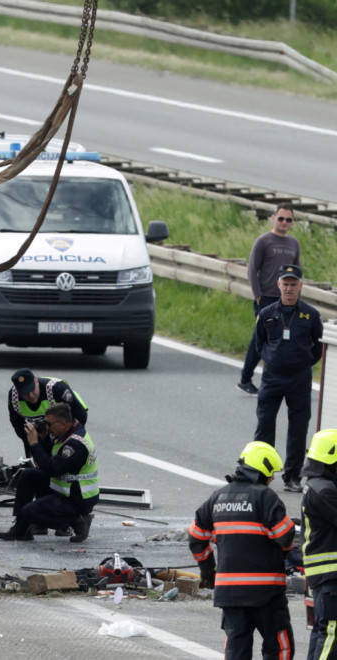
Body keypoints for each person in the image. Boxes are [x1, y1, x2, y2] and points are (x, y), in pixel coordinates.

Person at [189, 441, 296, 660]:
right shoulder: (265, 497)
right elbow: (286, 536)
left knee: (236, 650)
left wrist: (209, 571)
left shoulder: (217, 498)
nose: (273, 479)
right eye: (271, 474)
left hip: (229, 593)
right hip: (267, 593)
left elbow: (196, 537)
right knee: (279, 647)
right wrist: (280, 554)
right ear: (262, 470)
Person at [254, 264, 323, 492]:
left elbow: (319, 346)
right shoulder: (267, 314)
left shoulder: (311, 315)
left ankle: (292, 476)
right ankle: (261, 473)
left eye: (294, 285)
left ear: (300, 286)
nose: (289, 289)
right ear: (279, 285)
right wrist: (271, 359)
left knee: (298, 428)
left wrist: (304, 362)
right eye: (286, 284)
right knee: (265, 425)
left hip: (299, 379)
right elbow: (258, 343)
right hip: (272, 377)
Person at [0, 402, 98, 543]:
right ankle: (21, 529)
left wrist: (34, 444)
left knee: (30, 512)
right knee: (28, 475)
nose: (47, 427)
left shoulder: (76, 445)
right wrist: (42, 438)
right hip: (64, 489)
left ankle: (78, 520)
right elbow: (47, 461)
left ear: (63, 423)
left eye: (49, 424)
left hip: (78, 498)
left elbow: (52, 469)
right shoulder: (66, 433)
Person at [238, 204, 300, 394]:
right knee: (262, 339)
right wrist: (258, 297)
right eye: (281, 218)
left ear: (292, 222)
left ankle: (277, 380)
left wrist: (296, 299)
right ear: (273, 218)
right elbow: (252, 270)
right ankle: (245, 379)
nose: (284, 223)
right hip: (265, 298)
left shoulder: (294, 244)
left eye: (288, 220)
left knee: (283, 340)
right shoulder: (264, 241)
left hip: (286, 300)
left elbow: (296, 275)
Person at [301, 429, 337, 660]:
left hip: (324, 575)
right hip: (330, 575)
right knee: (332, 633)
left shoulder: (317, 485)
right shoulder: (325, 490)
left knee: (322, 632)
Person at [8, 368, 88, 459]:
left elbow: (80, 416)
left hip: (69, 419)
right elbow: (17, 425)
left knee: (61, 461)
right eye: (25, 393)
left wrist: (60, 440)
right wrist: (33, 443)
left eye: (32, 390)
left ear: (37, 381)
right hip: (42, 430)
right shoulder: (14, 397)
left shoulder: (57, 389)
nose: (30, 396)